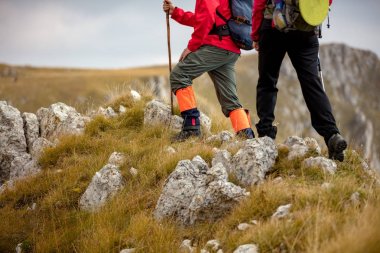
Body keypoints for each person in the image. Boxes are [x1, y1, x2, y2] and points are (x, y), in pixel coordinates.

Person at [252, 0, 347, 161]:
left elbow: (259, 3)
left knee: (267, 81)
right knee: (312, 84)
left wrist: (255, 34)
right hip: (305, 29)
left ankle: (265, 134)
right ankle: (332, 134)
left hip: (274, 26)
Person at [162, 0, 255, 141]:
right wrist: (176, 13)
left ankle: (191, 128)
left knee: (179, 75)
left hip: (217, 46)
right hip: (230, 49)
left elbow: (206, 20)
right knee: (229, 98)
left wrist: (192, 46)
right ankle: (245, 136)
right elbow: (204, 19)